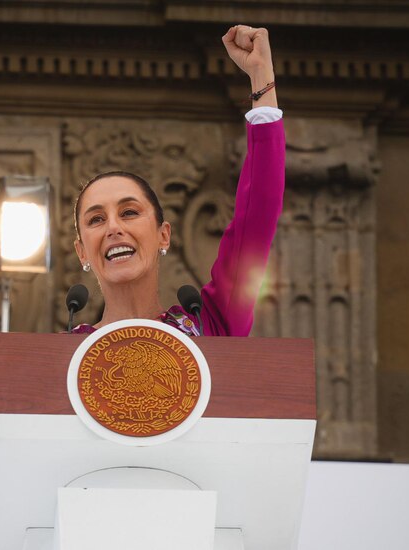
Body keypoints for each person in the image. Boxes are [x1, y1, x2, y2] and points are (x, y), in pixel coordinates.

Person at [71, 24, 284, 337]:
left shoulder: (207, 327)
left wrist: (261, 77)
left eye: (129, 212)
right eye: (96, 219)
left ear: (164, 235)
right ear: (82, 252)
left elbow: (256, 218)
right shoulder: (63, 356)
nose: (113, 228)